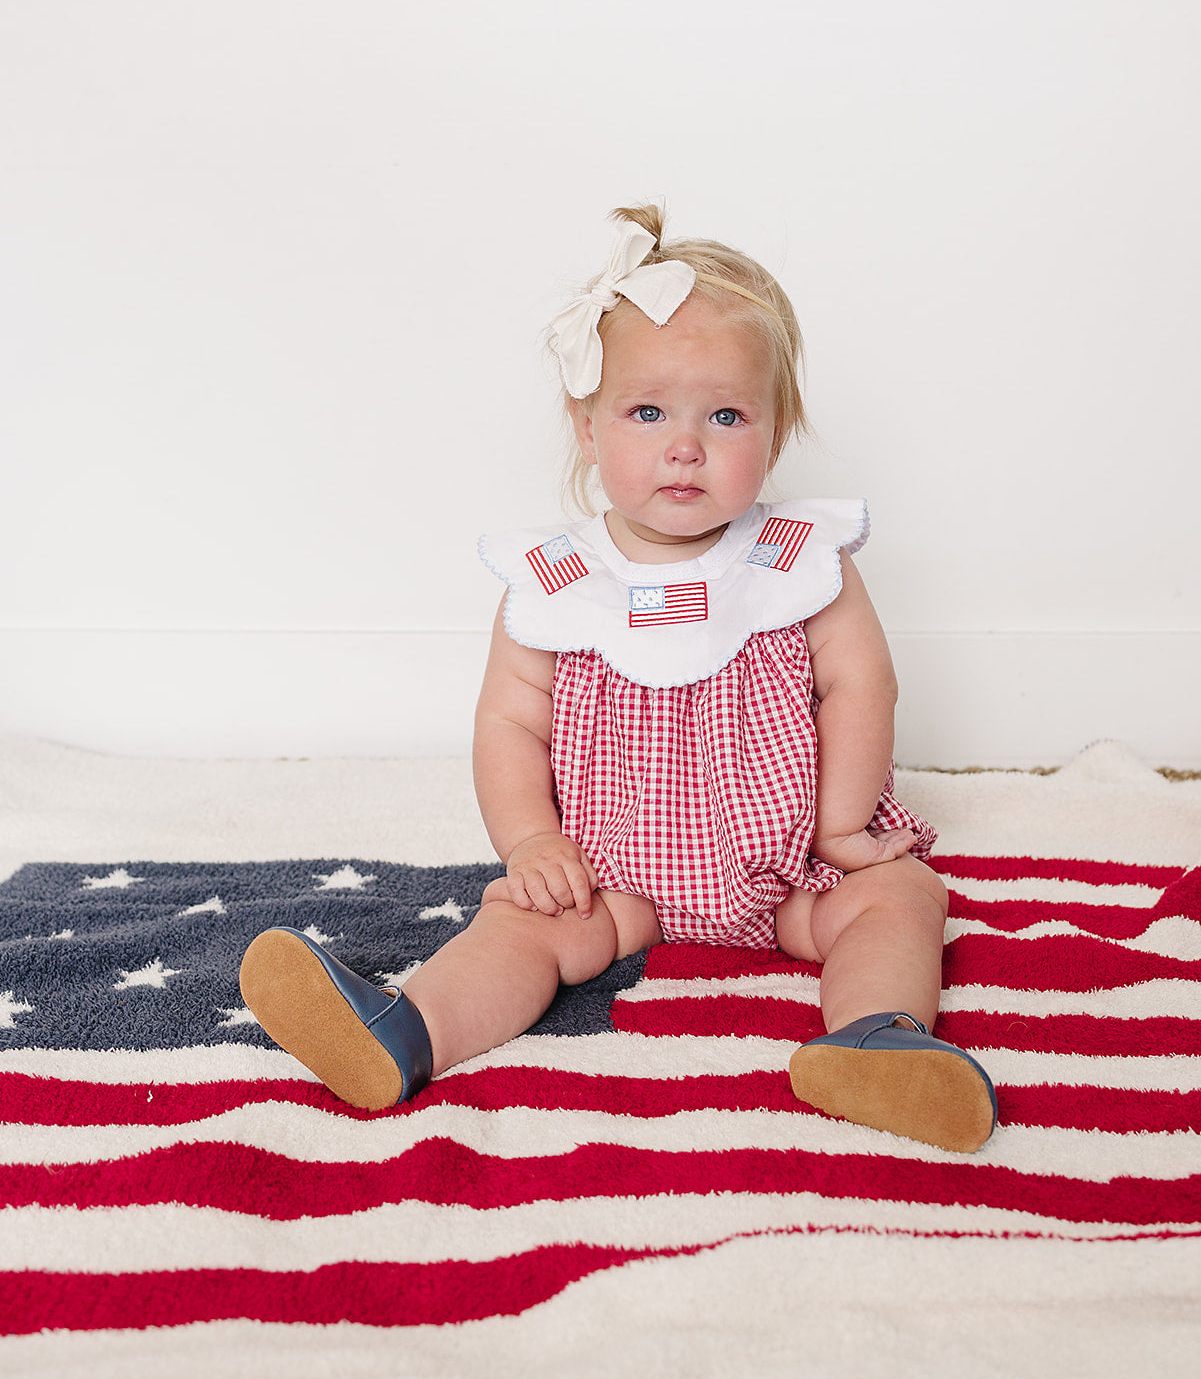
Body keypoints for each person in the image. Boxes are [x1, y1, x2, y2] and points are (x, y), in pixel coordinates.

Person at [239, 204, 997, 1153]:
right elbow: (511, 723)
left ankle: (877, 1039)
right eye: (647, 412)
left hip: (795, 862)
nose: (686, 445)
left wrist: (842, 825)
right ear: (587, 426)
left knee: (901, 901)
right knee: (525, 925)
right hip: (614, 872)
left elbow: (860, 685)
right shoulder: (557, 580)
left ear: (778, 426)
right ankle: (407, 1030)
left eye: (725, 416)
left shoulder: (800, 558)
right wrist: (530, 843)